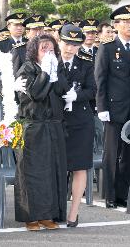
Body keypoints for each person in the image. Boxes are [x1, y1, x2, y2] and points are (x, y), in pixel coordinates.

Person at [95, 5, 130, 209]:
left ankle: (123, 194)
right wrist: (102, 108)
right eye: (125, 22)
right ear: (116, 25)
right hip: (113, 109)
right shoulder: (107, 48)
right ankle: (110, 195)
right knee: (111, 154)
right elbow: (101, 80)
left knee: (128, 155)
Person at [14, 34, 69, 231]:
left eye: (52, 49)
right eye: (44, 48)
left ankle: (48, 215)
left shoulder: (57, 65)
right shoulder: (26, 69)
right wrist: (45, 74)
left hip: (53, 125)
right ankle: (31, 216)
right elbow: (36, 94)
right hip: (33, 127)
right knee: (32, 173)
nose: (48, 52)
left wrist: (55, 74)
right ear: (35, 51)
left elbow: (63, 89)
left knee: (53, 172)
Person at [57, 24, 95, 227]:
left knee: (80, 167)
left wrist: (77, 96)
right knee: (59, 167)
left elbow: (93, 90)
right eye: (66, 43)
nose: (70, 48)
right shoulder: (51, 62)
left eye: (74, 45)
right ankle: (58, 208)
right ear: (58, 40)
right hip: (57, 121)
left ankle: (74, 213)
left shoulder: (86, 63)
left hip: (81, 122)